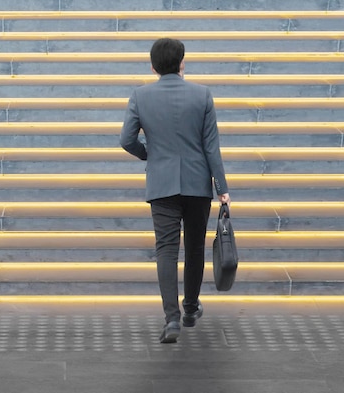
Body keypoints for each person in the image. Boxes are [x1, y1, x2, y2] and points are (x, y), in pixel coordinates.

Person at [120, 38, 231, 344]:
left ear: (153, 66)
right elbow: (212, 148)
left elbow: (126, 139)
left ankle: (171, 319)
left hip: (162, 185)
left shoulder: (140, 96)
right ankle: (191, 308)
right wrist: (222, 187)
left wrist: (151, 155)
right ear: (182, 63)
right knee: (194, 248)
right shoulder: (202, 95)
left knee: (166, 250)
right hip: (197, 185)